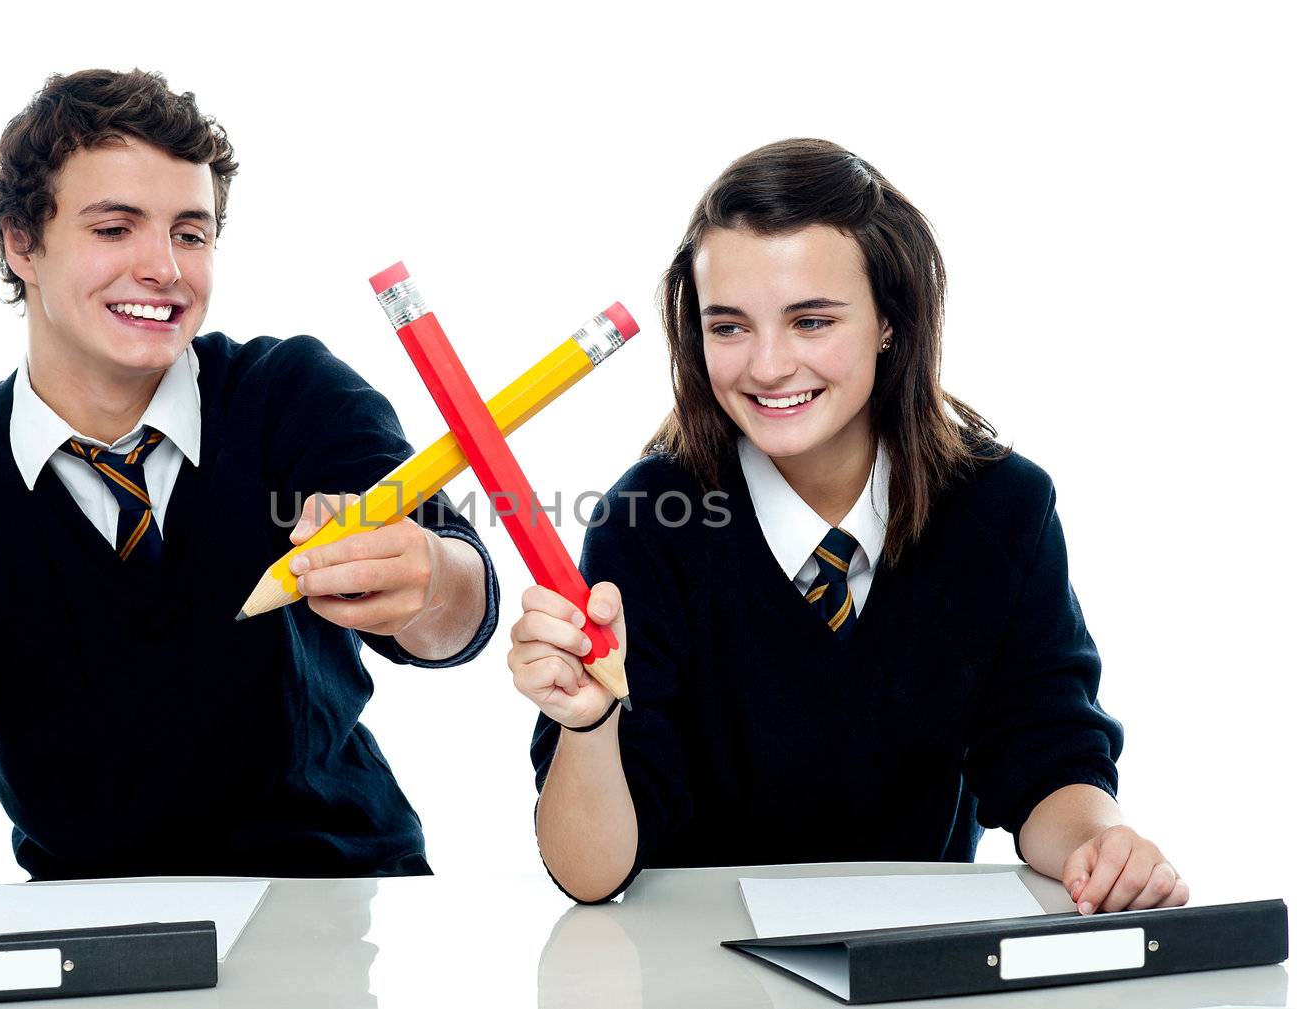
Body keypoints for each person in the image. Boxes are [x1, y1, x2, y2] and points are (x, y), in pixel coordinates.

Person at [0, 69, 498, 944]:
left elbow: (458, 604)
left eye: (189, 233)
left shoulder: (292, 396)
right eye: (114, 227)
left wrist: (426, 580)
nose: (162, 269)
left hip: (336, 902)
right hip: (92, 936)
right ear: (21, 242)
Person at [508, 139, 1188, 913]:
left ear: (890, 321)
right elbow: (593, 872)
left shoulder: (1001, 507)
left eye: (811, 320)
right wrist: (589, 718)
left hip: (912, 967)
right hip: (693, 968)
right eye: (728, 327)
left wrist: (1103, 844)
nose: (767, 366)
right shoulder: (648, 522)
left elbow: (1046, 756)